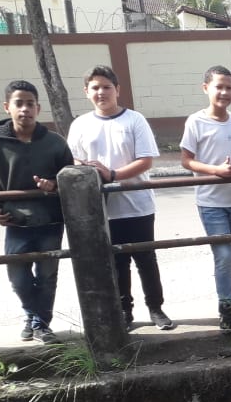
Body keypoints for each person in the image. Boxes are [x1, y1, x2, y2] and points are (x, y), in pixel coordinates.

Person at [67, 65, 174, 331]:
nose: (101, 92)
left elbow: (145, 160)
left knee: (145, 259)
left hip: (137, 205)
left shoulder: (134, 120)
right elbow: (74, 161)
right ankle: (125, 311)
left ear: (117, 90)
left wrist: (112, 175)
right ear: (86, 91)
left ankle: (156, 308)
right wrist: (90, 171)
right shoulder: (80, 125)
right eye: (95, 87)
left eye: (106, 87)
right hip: (102, 209)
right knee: (117, 262)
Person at [0, 80, 73, 344]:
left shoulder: (55, 143)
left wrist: (53, 184)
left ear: (38, 108)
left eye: (30, 104)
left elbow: (70, 176)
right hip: (15, 221)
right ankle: (32, 314)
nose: (25, 109)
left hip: (50, 220)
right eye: (19, 103)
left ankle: (40, 323)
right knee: (18, 277)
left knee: (47, 275)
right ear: (7, 107)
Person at [180, 65, 231, 334]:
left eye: (229, 87)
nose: (224, 92)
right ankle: (226, 308)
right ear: (206, 88)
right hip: (210, 201)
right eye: (219, 87)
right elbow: (186, 160)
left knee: (228, 252)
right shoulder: (196, 121)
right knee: (223, 254)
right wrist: (215, 170)